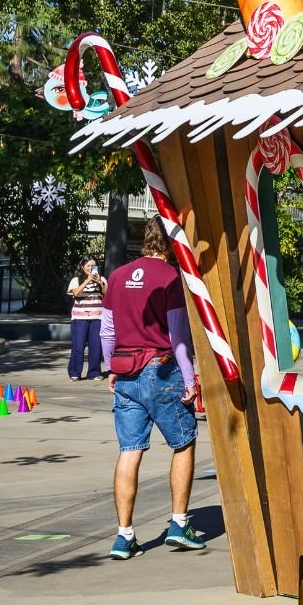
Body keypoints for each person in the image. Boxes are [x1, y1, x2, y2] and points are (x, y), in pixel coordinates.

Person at [100, 222, 206, 559]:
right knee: (184, 442)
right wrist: (190, 380)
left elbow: (106, 330)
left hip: (126, 371)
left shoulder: (117, 276)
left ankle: (124, 536)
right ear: (173, 244)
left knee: (129, 450)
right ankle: (178, 523)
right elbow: (178, 338)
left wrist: (112, 367)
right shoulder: (170, 278)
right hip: (160, 371)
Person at [66, 258, 107, 380]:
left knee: (96, 346)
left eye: (93, 266)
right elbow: (76, 293)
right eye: (88, 266)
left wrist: (100, 282)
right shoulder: (76, 280)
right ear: (82, 267)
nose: (91, 268)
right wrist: (87, 281)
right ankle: (75, 372)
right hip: (79, 318)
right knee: (78, 345)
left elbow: (108, 293)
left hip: (97, 317)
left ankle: (94, 372)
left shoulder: (102, 279)